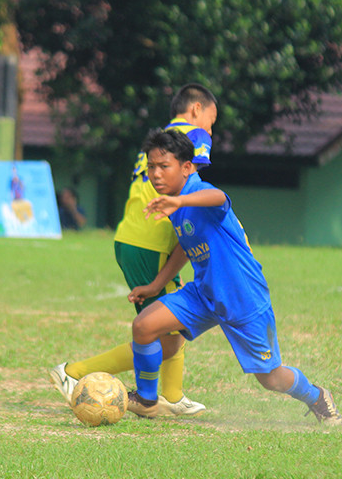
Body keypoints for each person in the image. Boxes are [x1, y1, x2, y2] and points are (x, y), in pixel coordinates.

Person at [127, 128, 342, 424]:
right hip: (204, 293)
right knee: (144, 326)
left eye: (164, 166)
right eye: (151, 166)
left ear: (187, 167)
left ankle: (317, 397)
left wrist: (179, 203)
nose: (156, 174)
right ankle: (147, 400)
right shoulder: (176, 201)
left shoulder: (195, 193)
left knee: (271, 378)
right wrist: (155, 285)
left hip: (242, 296)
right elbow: (185, 245)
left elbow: (218, 198)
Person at [49, 84, 217, 416]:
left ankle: (170, 393)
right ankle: (73, 372)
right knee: (164, 334)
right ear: (197, 109)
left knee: (173, 323)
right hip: (150, 242)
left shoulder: (159, 142)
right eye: (213, 120)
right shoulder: (195, 135)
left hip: (135, 237)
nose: (212, 129)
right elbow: (194, 190)